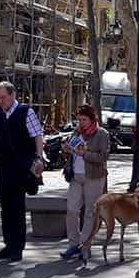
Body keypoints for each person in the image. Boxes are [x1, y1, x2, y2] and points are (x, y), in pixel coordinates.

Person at [0, 81, 45, 262]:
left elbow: (37, 135)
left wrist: (39, 158)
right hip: (3, 167)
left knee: (17, 207)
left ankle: (17, 247)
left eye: (3, 97)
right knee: (6, 207)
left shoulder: (26, 112)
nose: (0, 101)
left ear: (12, 95)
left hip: (22, 166)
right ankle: (9, 244)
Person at [60, 105, 110, 261]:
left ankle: (85, 245)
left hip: (94, 177)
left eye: (84, 120)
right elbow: (71, 151)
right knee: (72, 210)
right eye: (79, 119)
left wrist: (85, 154)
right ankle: (73, 244)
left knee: (90, 212)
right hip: (76, 176)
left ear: (92, 119)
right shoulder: (76, 132)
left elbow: (103, 157)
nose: (81, 123)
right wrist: (66, 150)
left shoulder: (102, 134)